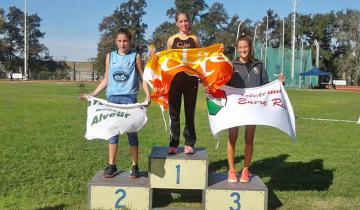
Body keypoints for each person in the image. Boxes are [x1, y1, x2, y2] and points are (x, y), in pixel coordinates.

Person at [81, 28, 150, 178]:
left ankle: (135, 166)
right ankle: (112, 165)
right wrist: (93, 94)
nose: (122, 44)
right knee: (112, 133)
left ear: (130, 41)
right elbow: (106, 79)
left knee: (132, 134)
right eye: (119, 41)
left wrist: (147, 96)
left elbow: (143, 78)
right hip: (112, 100)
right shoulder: (110, 56)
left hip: (129, 100)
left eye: (125, 41)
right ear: (115, 42)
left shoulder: (135, 57)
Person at [226, 35, 284, 183]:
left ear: (250, 47)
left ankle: (245, 169)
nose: (243, 50)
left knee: (249, 138)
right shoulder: (231, 65)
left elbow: (265, 85)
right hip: (235, 107)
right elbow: (223, 83)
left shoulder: (258, 64)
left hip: (253, 108)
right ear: (237, 49)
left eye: (245, 47)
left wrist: (278, 84)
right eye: (240, 47)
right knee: (232, 137)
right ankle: (231, 170)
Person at [166, 12, 201, 155]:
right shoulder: (171, 40)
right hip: (174, 81)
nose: (184, 24)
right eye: (180, 21)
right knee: (174, 113)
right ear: (176, 23)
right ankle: (173, 143)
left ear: (189, 22)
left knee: (189, 112)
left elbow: (200, 58)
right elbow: (167, 60)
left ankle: (189, 143)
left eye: (186, 21)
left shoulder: (194, 39)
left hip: (191, 80)